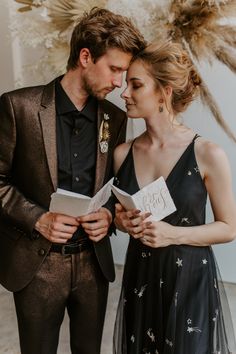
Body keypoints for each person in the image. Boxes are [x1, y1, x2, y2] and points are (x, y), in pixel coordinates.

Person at [0, 7, 146, 354]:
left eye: (124, 73)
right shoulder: (18, 107)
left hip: (93, 265)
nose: (119, 83)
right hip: (37, 265)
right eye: (114, 69)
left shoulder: (115, 117)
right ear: (85, 56)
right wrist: (39, 218)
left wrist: (109, 215)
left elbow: (116, 186)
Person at [112, 41, 236, 354]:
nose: (124, 93)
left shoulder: (207, 153)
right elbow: (121, 217)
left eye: (136, 84)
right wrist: (123, 221)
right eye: (126, 83)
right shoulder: (122, 154)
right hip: (142, 278)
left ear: (164, 92)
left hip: (190, 280)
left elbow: (229, 228)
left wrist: (172, 234)